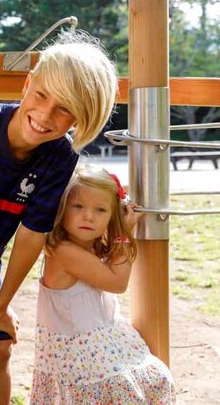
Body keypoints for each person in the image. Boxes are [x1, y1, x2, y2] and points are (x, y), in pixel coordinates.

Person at [0, 30, 118, 404]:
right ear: (27, 84)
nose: (45, 115)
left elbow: (31, 234)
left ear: (80, 117)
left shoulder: (60, 157)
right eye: (42, 95)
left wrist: (1, 306)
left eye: (64, 109)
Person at [30, 165, 175, 404]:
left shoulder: (90, 246)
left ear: (111, 216)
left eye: (100, 210)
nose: (88, 216)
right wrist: (124, 233)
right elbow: (117, 282)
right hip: (80, 361)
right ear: (62, 208)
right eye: (78, 206)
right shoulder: (63, 251)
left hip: (97, 349)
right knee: (126, 390)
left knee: (154, 380)